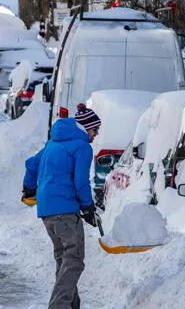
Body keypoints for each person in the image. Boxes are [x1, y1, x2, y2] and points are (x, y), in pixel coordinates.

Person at [22, 103, 101, 309]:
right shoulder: (82, 147)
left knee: (64, 260)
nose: (96, 134)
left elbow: (31, 164)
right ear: (85, 128)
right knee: (74, 261)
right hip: (65, 211)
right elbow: (81, 182)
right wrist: (88, 207)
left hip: (47, 211)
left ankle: (72, 306)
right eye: (95, 129)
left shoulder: (53, 142)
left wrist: (28, 188)